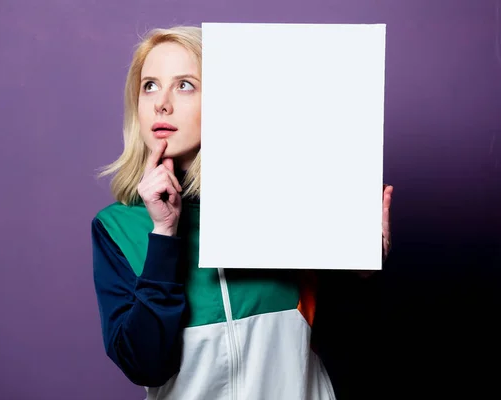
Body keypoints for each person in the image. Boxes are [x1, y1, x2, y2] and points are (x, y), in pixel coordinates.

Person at [91, 25, 393, 400]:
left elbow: (342, 343)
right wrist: (163, 235)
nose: (161, 103)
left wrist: (360, 270)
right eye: (149, 85)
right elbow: (145, 365)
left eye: (185, 85)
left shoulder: (289, 197)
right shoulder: (117, 227)